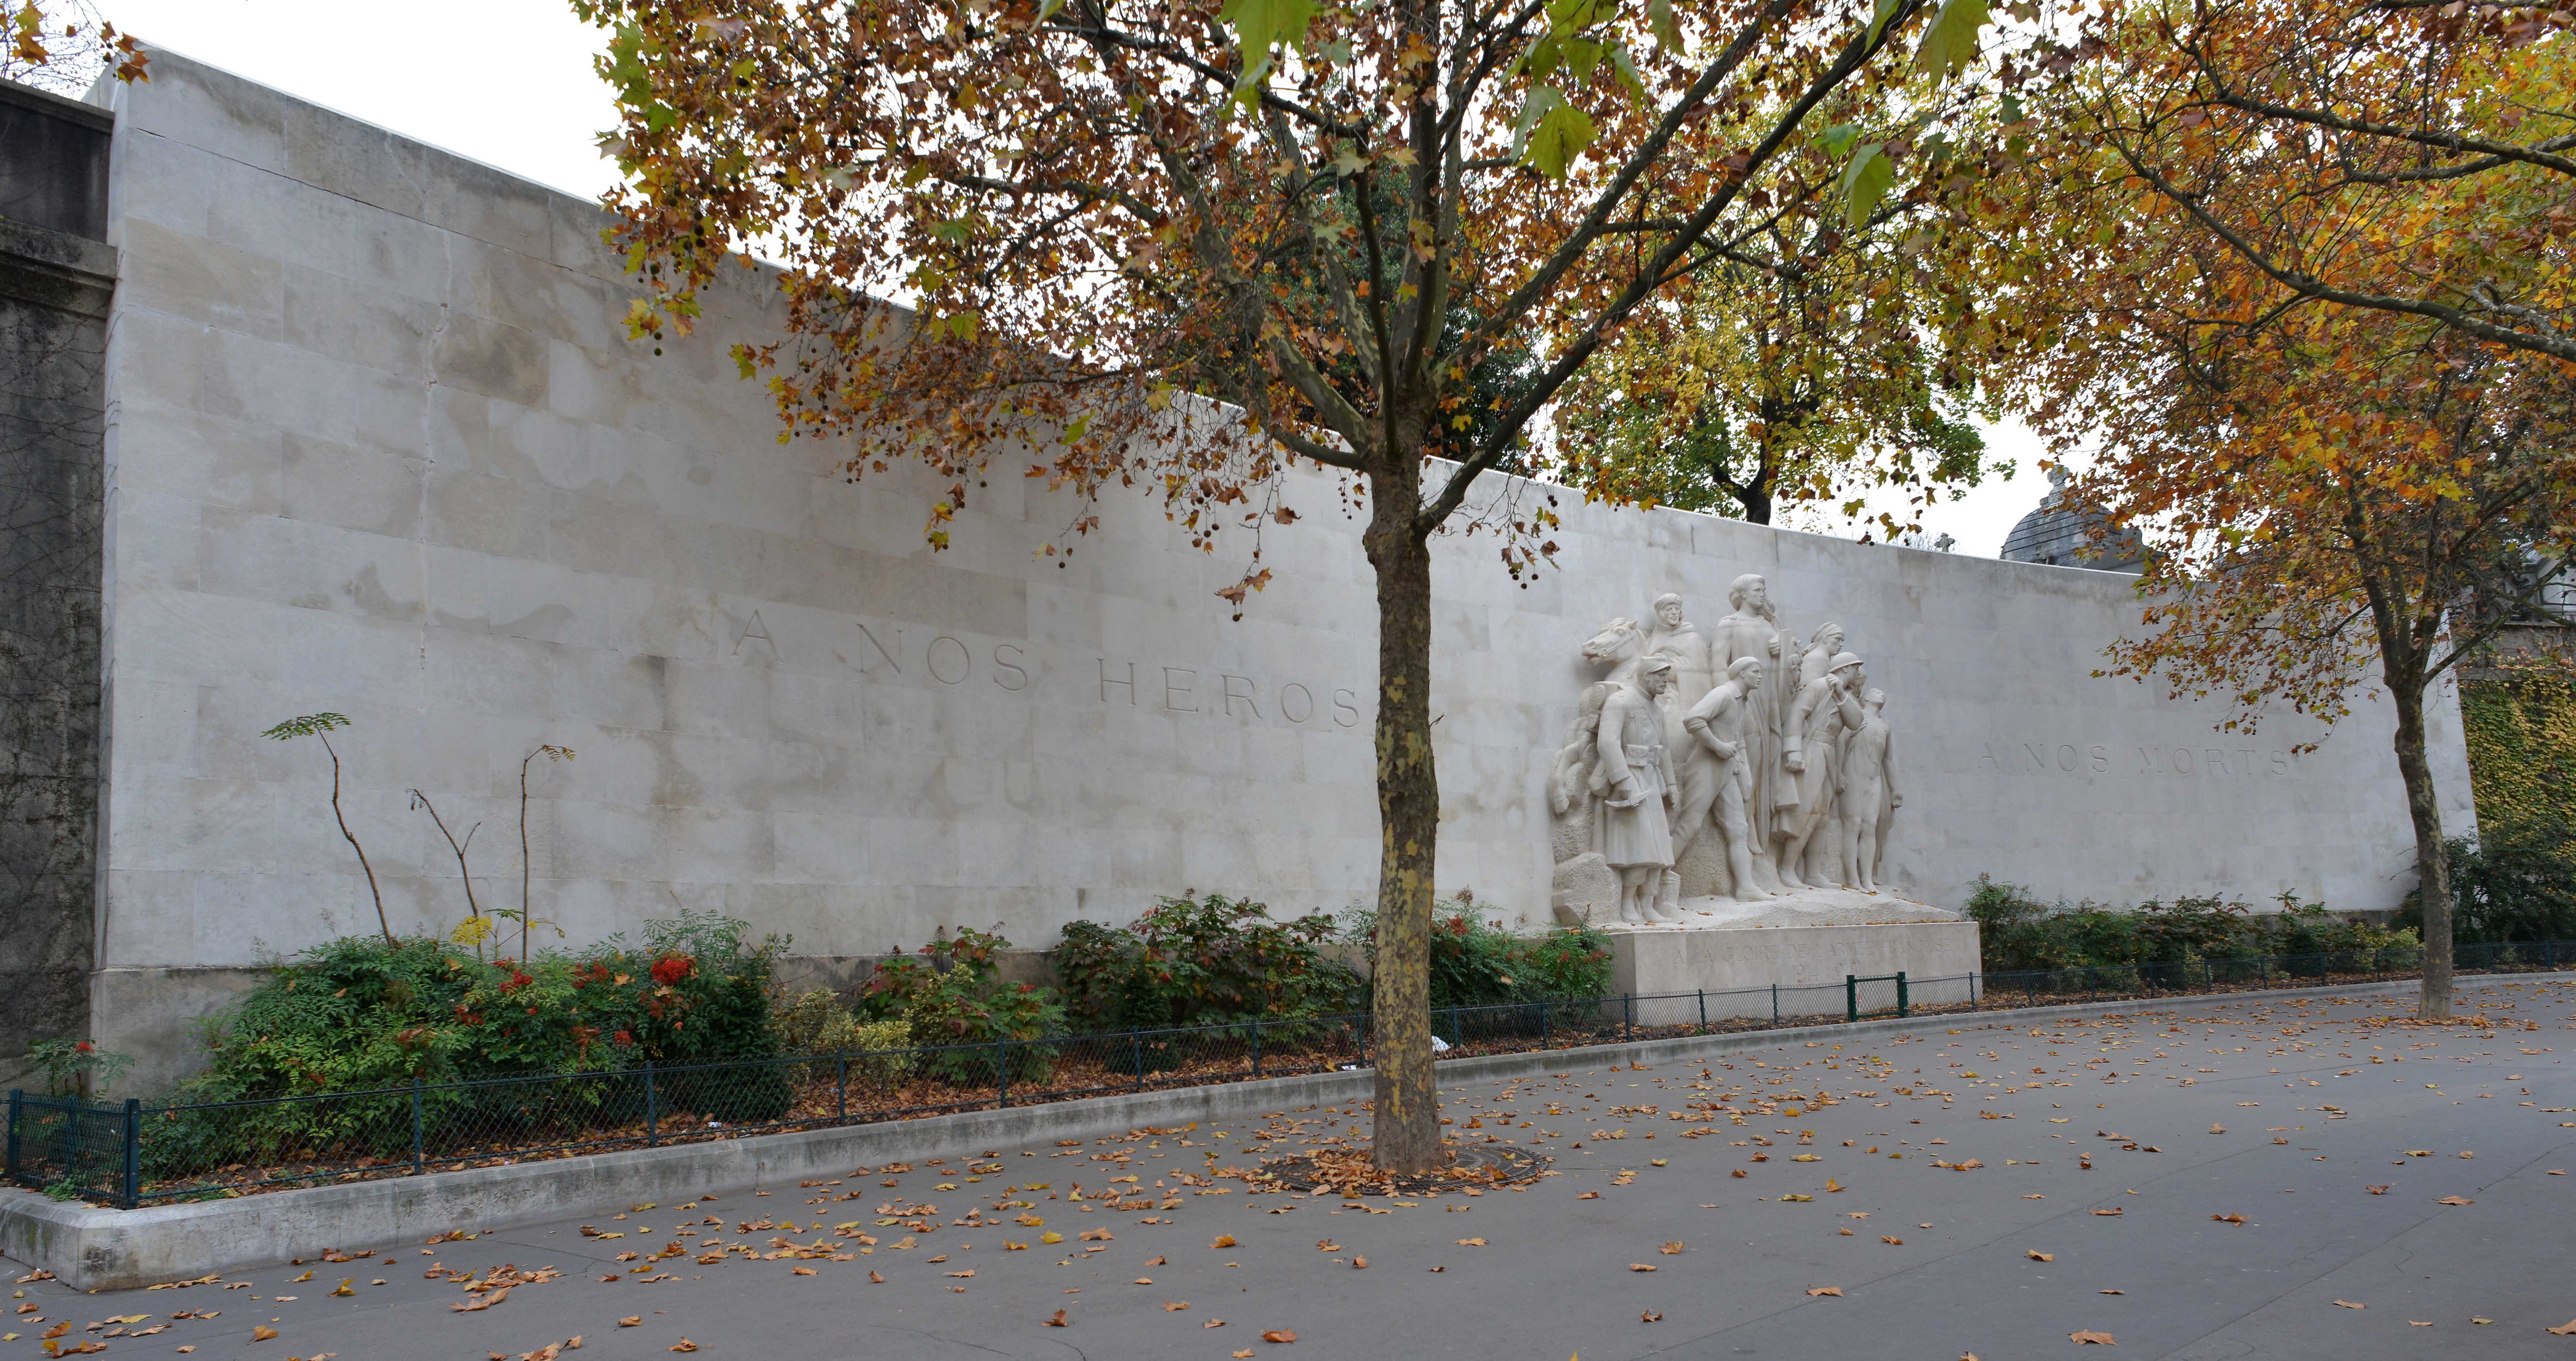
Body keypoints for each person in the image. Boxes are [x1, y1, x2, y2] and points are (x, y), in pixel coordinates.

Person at [1708, 574, 1791, 879]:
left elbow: (1788, 668)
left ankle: (1760, 826)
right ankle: (1749, 828)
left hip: (1769, 700)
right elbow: (1718, 665)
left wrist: (1782, 647)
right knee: (1748, 768)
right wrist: (1728, 705)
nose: (1762, 595)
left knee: (1764, 766)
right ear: (1742, 594)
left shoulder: (1769, 625)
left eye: (1764, 590)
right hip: (1744, 702)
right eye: (1758, 590)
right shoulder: (1728, 624)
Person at [1596, 655, 1681, 924]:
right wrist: (1625, 783)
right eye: (1660, 676)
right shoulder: (1620, 702)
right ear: (1645, 676)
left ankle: (1648, 904)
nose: (1665, 681)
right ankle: (1627, 902)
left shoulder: (1657, 709)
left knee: (1658, 847)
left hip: (1652, 781)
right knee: (1638, 846)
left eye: (1666, 676)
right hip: (1631, 779)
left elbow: (1664, 749)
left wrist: (1671, 784)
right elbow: (1608, 744)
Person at [1681, 655, 1772, 902]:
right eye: (1756, 671)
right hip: (1706, 766)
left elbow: (1738, 739)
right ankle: (1653, 880)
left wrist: (1743, 769)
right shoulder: (1723, 694)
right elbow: (1692, 720)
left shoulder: (1743, 700)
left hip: (1729, 769)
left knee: (1738, 828)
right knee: (1690, 824)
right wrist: (1718, 746)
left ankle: (1745, 887)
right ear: (1742, 673)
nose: (1760, 676)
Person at [1778, 651, 1864, 889]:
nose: (1858, 673)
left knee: (1822, 816)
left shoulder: (1843, 694)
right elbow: (1797, 714)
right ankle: (1787, 868)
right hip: (1811, 749)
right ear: (1845, 669)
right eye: (1856, 668)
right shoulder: (1817, 686)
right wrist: (1793, 750)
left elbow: (1856, 723)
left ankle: (1813, 873)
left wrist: (1840, 695)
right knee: (1805, 810)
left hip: (1827, 753)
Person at [1839, 687, 1901, 892]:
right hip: (1853, 773)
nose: (1882, 694)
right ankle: (1852, 879)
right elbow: (1840, 743)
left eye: (1884, 693)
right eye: (1876, 692)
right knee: (1853, 824)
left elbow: (1889, 760)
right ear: (1865, 697)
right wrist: (1837, 773)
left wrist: (1895, 790)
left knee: (1870, 826)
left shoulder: (1885, 725)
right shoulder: (1856, 716)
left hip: (1874, 779)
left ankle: (1867, 879)